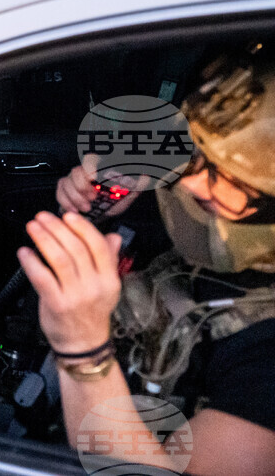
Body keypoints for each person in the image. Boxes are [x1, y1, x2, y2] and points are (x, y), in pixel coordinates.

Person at [18, 50, 275, 473]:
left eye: (222, 172)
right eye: (197, 152)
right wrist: (101, 199)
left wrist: (83, 353)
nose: (191, 180)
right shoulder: (232, 230)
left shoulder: (265, 366)